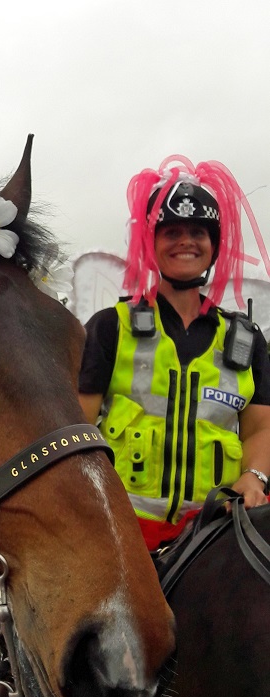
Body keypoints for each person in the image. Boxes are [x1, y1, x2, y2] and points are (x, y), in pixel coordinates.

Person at [79, 155, 270, 551]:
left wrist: (254, 476)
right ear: (152, 243)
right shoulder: (109, 327)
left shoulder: (246, 340)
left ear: (214, 245)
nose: (186, 241)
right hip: (117, 531)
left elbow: (261, 429)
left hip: (217, 533)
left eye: (199, 231)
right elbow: (74, 425)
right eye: (172, 231)